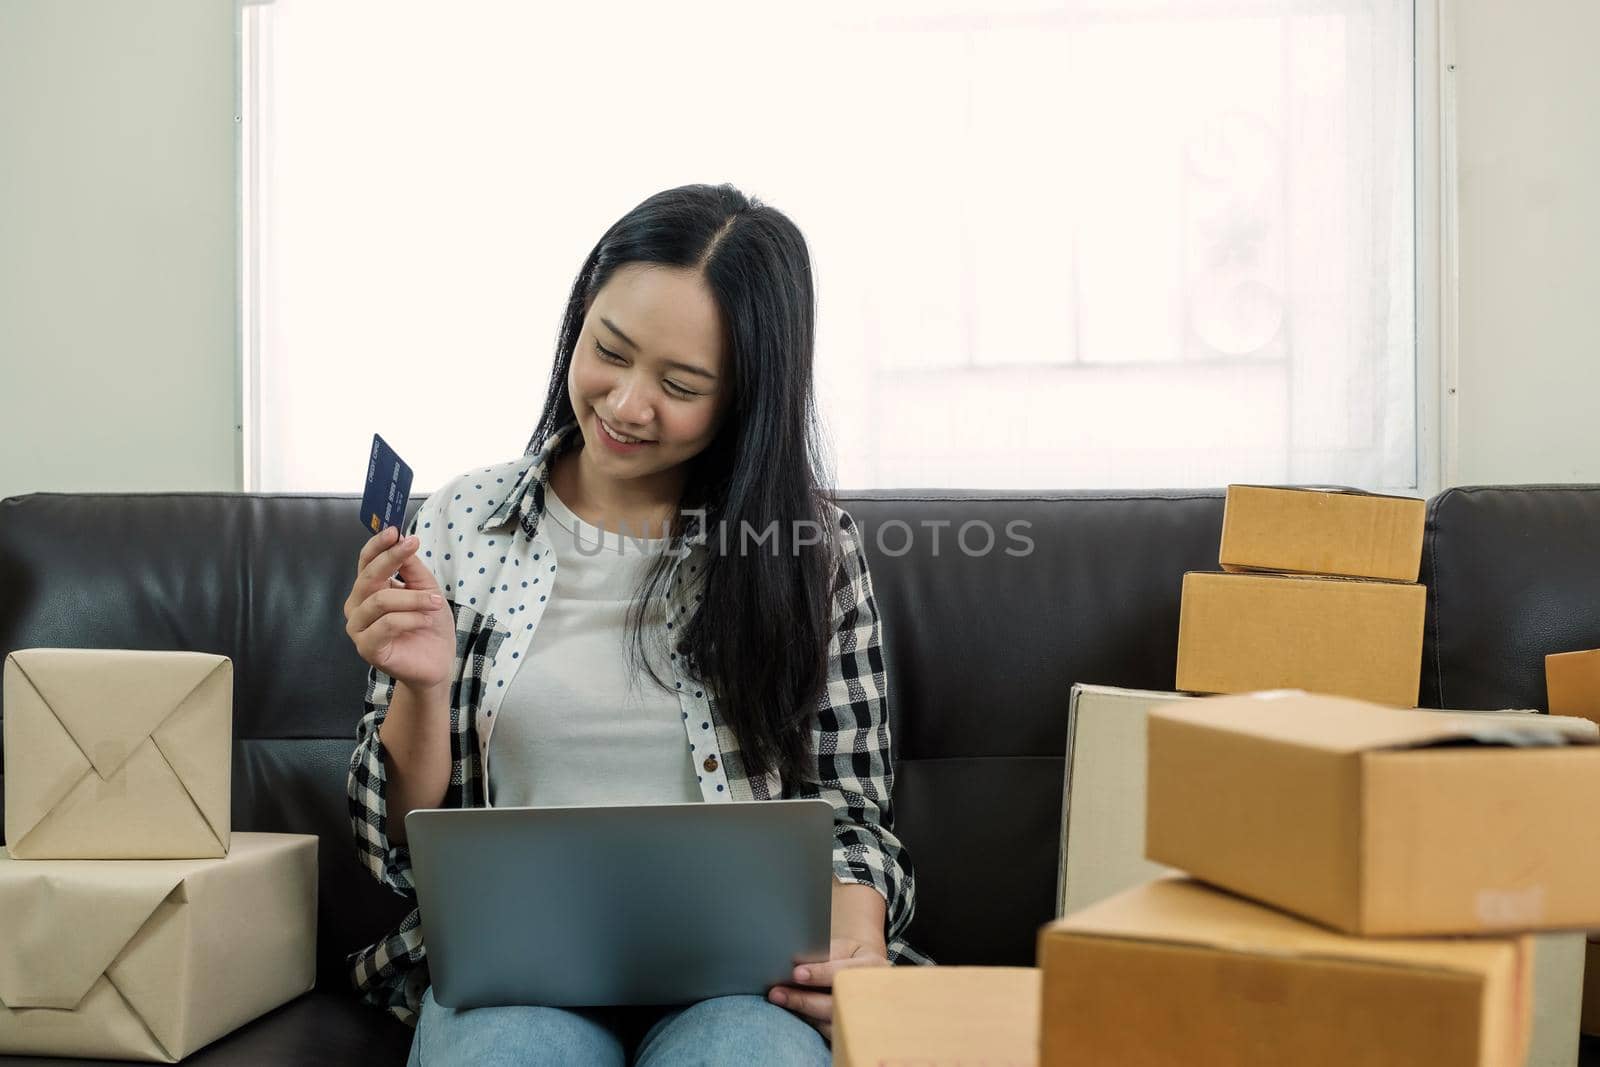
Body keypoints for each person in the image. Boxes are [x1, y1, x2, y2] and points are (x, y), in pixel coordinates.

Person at [342, 183, 926, 1066]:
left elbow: (851, 816)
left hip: (744, 986)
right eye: (609, 351)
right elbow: (403, 846)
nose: (625, 403)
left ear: (745, 398)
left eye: (681, 385)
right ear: (580, 318)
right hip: (516, 980)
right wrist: (420, 687)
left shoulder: (812, 549)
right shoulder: (463, 521)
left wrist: (858, 951)